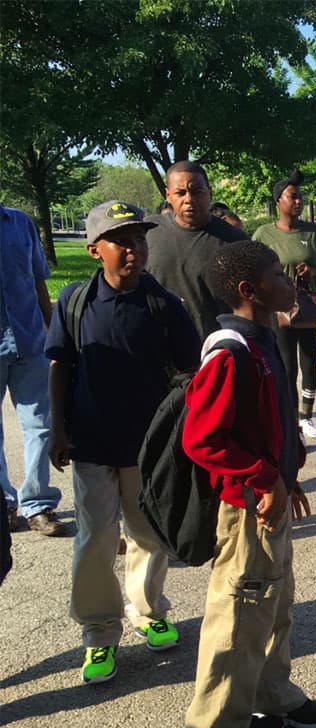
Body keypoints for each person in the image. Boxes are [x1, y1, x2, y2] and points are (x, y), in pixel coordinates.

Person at [182, 240, 316, 728]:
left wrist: (287, 476)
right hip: (247, 506)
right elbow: (202, 439)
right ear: (250, 290)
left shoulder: (265, 338)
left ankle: (273, 695)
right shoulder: (231, 353)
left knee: (274, 604)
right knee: (239, 613)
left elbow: (268, 418)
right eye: (277, 273)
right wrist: (265, 477)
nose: (289, 278)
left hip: (271, 497)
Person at [45, 201, 201, 683]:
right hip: (91, 443)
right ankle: (98, 633)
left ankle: (149, 610)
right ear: (95, 250)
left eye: (140, 239)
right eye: (122, 240)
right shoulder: (75, 303)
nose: (135, 248)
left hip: (148, 446)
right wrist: (58, 428)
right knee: (95, 539)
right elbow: (60, 367)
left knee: (149, 534)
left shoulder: (163, 305)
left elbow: (189, 373)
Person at [253, 171, 316, 439]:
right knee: (287, 366)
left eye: (300, 196)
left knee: (310, 363)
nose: (298, 201)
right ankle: (288, 418)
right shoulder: (264, 234)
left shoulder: (313, 232)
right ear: (279, 200)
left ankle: (307, 417)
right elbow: (253, 267)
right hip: (280, 310)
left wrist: (315, 270)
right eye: (293, 196)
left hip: (310, 306)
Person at [0, 204, 64, 536]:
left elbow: (39, 278)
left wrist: (53, 331)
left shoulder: (20, 222)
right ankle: (4, 505)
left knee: (40, 425)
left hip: (29, 339)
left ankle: (37, 505)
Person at [146, 160, 247, 344]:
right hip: (162, 349)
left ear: (210, 192)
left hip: (216, 351)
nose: (189, 200)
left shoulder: (235, 240)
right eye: (180, 193)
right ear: (168, 195)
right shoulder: (149, 233)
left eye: (197, 192)